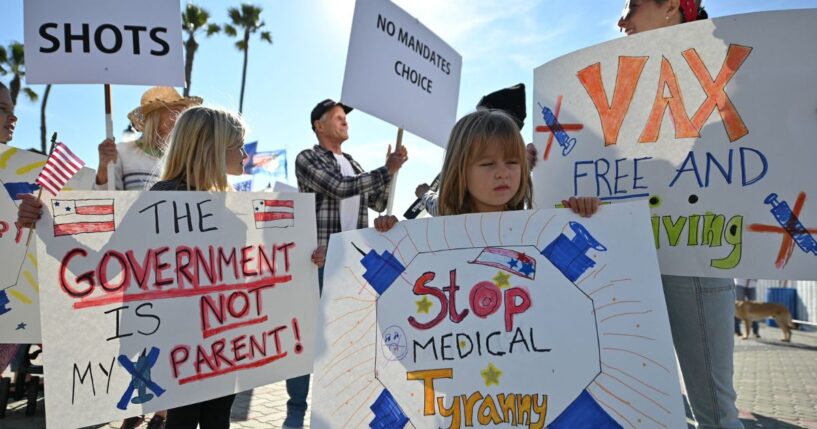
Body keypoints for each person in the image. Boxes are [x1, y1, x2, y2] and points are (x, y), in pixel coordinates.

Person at [619, 2, 742, 429]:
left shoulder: (718, 66)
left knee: (713, 412)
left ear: (671, 5)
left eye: (632, 5)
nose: (622, 20)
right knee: (650, 404)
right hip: (634, 259)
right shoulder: (623, 78)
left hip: (693, 254)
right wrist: (544, 165)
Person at [286, 99, 408, 429]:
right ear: (318, 125)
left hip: (354, 262)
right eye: (337, 117)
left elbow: (378, 200)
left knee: (349, 337)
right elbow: (339, 189)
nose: (345, 122)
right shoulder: (308, 158)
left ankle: (339, 409)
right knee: (309, 337)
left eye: (346, 118)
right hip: (321, 263)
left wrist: (388, 173)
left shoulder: (353, 162)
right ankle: (295, 412)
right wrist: (386, 170)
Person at [94, 86, 202, 191]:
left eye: (184, 113)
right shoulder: (122, 151)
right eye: (176, 111)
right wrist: (104, 167)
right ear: (156, 116)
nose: (181, 119)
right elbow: (107, 198)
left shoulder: (186, 158)